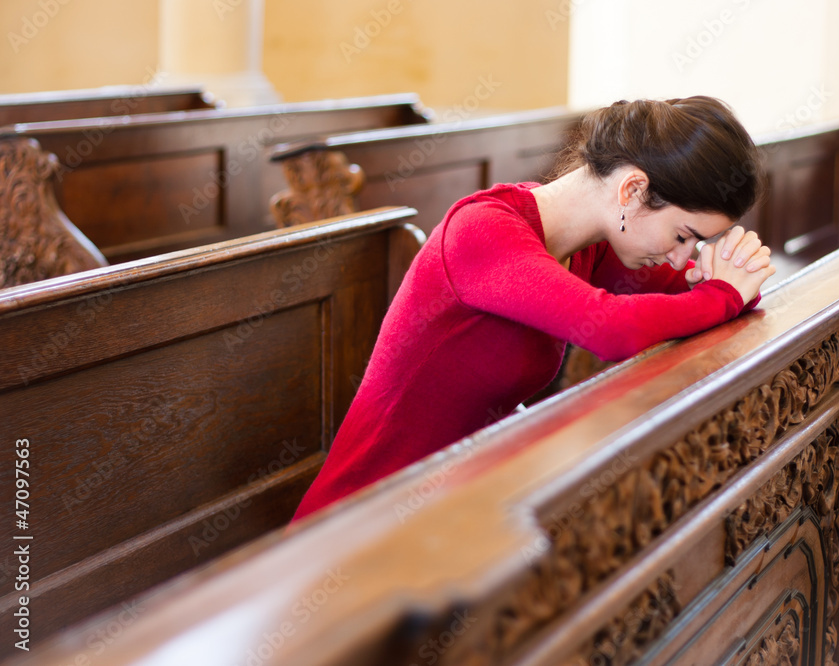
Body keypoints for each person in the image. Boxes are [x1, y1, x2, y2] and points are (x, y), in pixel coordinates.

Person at [291, 96, 776, 522]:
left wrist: (734, 274)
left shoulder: (593, 244)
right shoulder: (483, 231)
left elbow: (692, 297)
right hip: (366, 518)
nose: (679, 257)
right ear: (631, 191)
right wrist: (725, 292)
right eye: (683, 236)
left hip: (458, 508)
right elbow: (614, 329)